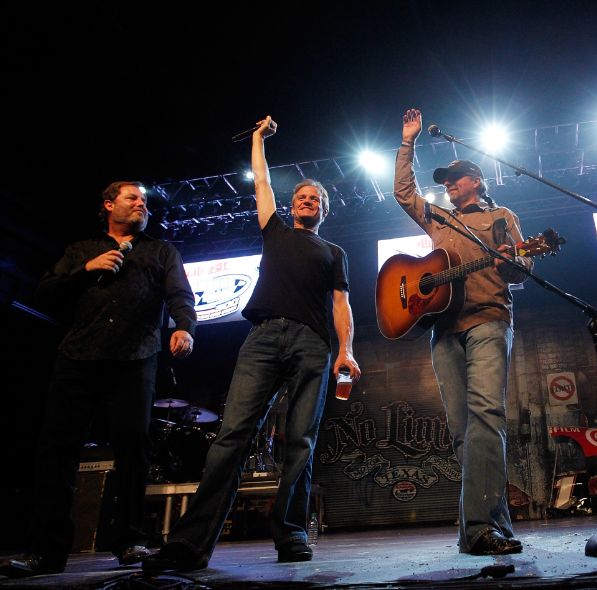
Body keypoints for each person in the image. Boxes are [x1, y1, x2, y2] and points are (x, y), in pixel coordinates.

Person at [143, 116, 361, 572]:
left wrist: (347, 350)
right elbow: (261, 178)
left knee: (300, 440)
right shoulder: (275, 230)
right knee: (233, 436)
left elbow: (341, 304)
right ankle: (190, 544)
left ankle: (293, 534)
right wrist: (259, 139)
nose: (307, 200)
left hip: (312, 345)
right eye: (301, 195)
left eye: (315, 198)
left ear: (324, 210)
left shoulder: (334, 253)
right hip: (262, 338)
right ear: (291, 204)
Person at [0, 181, 197, 578]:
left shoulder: (162, 251)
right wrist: (84, 272)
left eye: (145, 200)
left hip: (136, 356)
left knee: (133, 448)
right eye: (132, 198)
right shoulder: (81, 251)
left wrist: (184, 327)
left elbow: (181, 296)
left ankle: (129, 540)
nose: (142, 204)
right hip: (79, 356)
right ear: (109, 205)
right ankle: (46, 550)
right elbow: (44, 293)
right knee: (56, 452)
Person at [393, 109, 532, 555]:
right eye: (446, 179)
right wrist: (407, 142)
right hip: (443, 328)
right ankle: (490, 526)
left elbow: (523, 270)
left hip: (489, 320)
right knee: (461, 430)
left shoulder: (502, 217)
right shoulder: (438, 218)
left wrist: (512, 260)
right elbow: (402, 192)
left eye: (456, 177)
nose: (449, 183)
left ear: (476, 179)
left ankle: (478, 527)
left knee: (487, 417)